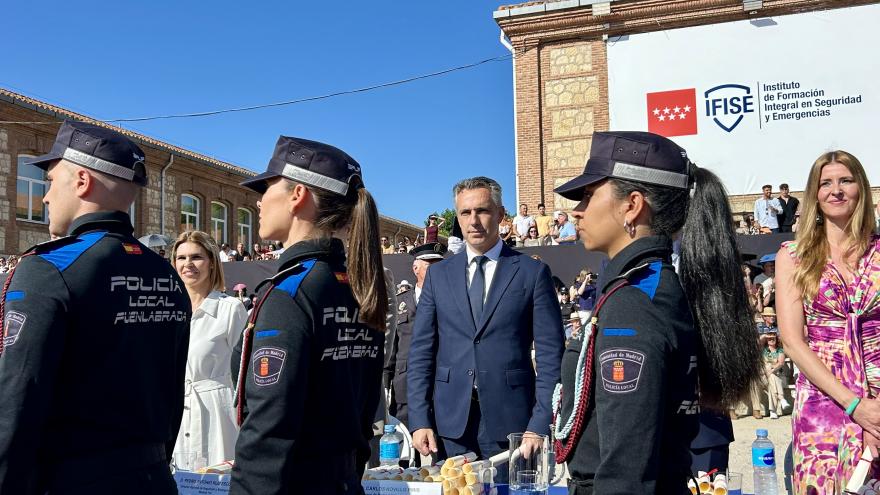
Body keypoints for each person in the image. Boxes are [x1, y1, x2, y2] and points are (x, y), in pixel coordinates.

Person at [552, 131, 761, 494]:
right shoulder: (641, 285)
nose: (577, 211)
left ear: (632, 205)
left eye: (588, 195)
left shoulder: (635, 301)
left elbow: (626, 469)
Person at [0, 121, 191, 494]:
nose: (45, 197)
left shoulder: (50, 268)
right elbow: (172, 398)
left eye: (50, 182)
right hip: (153, 479)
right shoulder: (167, 275)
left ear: (82, 181)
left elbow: (17, 400)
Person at [229, 136, 386, 493]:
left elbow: (268, 432)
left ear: (297, 195)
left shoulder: (290, 293)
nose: (259, 201)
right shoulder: (360, 286)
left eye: (267, 187)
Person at [407, 176, 564, 473]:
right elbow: (421, 352)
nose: (474, 221)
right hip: (451, 425)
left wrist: (540, 423)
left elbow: (550, 356)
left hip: (514, 427)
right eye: (465, 212)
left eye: (482, 211)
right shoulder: (439, 276)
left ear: (501, 214)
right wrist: (419, 419)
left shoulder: (532, 273)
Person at [775, 150, 880, 493]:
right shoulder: (794, 256)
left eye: (846, 180)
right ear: (815, 195)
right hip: (824, 397)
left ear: (861, 188)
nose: (836, 190)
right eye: (826, 183)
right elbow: (792, 341)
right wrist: (855, 405)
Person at [171, 231, 248, 467]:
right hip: (176, 415)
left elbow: (244, 372)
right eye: (181, 258)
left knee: (215, 478)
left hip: (218, 416)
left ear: (212, 262)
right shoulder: (168, 311)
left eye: (196, 257)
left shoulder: (230, 309)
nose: (188, 264)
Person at [384, 243, 447, 455]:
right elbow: (391, 347)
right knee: (403, 453)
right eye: (430, 265)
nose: (436, 270)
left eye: (439, 265)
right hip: (404, 386)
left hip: (440, 385)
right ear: (415, 268)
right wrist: (385, 384)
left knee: (440, 453)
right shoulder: (400, 302)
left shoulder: (450, 301)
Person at [760, 330, 787, 419]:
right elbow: (756, 343)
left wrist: (771, 371)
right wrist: (765, 336)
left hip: (779, 376)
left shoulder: (780, 350)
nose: (771, 340)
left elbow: (781, 363)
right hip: (764, 377)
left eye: (773, 338)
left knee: (772, 380)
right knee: (771, 375)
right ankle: (781, 398)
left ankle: (773, 411)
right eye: (769, 339)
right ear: (766, 340)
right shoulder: (763, 351)